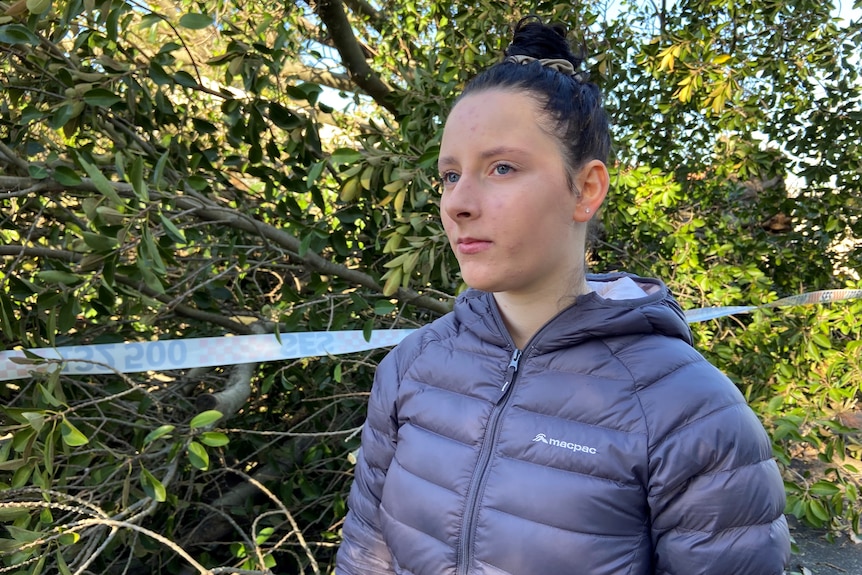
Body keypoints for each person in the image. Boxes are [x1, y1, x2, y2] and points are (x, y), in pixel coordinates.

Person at [335, 16, 791, 575]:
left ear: (586, 189)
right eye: (450, 175)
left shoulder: (690, 415)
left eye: (501, 168)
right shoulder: (411, 369)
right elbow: (365, 556)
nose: (458, 203)